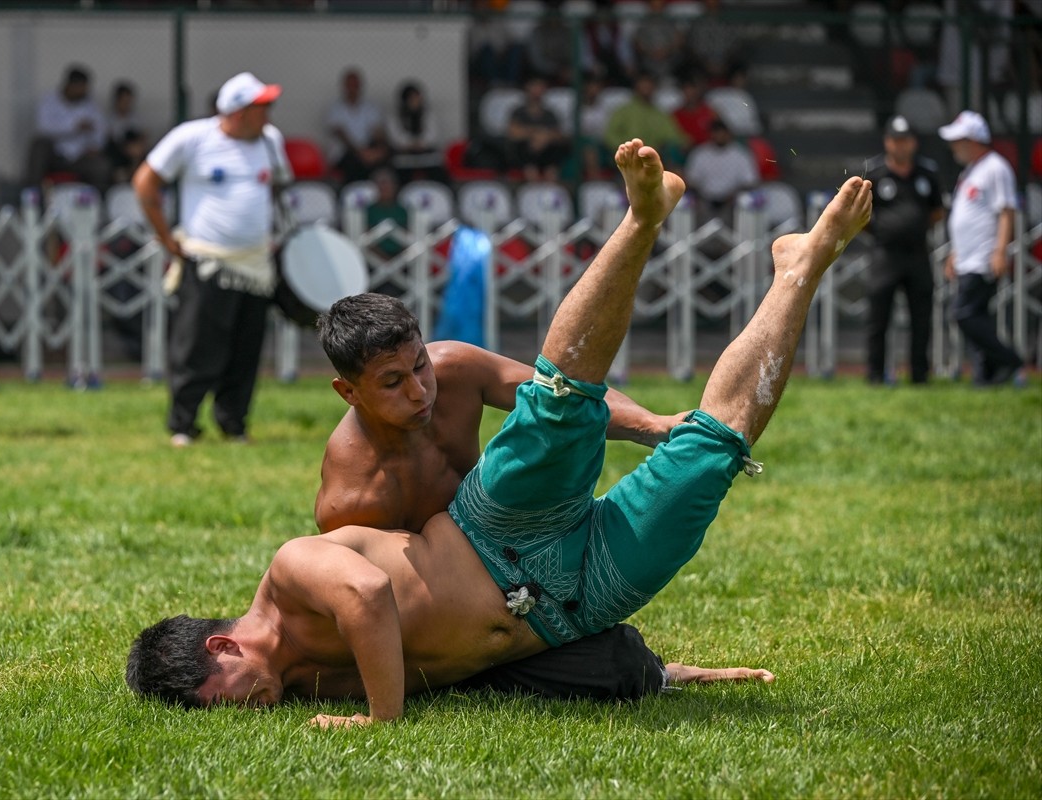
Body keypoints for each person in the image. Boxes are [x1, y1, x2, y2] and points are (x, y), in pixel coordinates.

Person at [127, 138, 874, 725]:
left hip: (499, 527)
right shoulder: (297, 680)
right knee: (713, 455)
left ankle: (641, 218)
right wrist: (648, 669)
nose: (236, 711)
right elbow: (465, 660)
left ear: (220, 648)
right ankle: (798, 267)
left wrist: (382, 719)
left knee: (558, 398)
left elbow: (366, 595)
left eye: (216, 699)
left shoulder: (295, 567)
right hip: (568, 607)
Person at [314, 292, 708, 701]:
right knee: (618, 666)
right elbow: (391, 611)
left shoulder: (455, 367)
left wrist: (651, 425)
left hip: (515, 535)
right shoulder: (352, 500)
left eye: (419, 366)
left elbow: (566, 394)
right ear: (349, 392)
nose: (419, 391)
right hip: (464, 615)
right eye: (393, 383)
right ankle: (657, 670)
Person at [132, 71, 292, 447]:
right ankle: (183, 425)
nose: (268, 113)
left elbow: (279, 186)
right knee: (197, 345)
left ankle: (234, 423)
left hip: (255, 263)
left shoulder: (270, 141)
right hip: (207, 259)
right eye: (260, 106)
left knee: (245, 346)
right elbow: (145, 182)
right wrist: (165, 237)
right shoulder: (192, 138)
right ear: (237, 112)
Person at [937, 110, 1025, 387]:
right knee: (976, 314)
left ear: (973, 140)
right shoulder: (971, 171)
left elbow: (1006, 211)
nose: (953, 146)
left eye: (958, 140)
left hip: (983, 258)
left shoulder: (995, 168)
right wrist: (955, 252)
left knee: (964, 314)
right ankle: (985, 375)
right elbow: (966, 216)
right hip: (967, 258)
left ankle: (1009, 359)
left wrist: (999, 251)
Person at [862, 115, 945, 386]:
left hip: (918, 254)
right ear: (887, 142)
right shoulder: (873, 173)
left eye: (905, 140)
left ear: (914, 142)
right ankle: (875, 375)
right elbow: (861, 213)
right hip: (885, 254)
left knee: (921, 318)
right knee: (878, 319)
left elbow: (936, 211)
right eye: (895, 141)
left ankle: (920, 376)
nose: (900, 146)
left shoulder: (927, 173)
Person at [25, 65, 112, 194]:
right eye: (81, 88)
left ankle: (97, 204)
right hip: (55, 153)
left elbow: (100, 130)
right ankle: (33, 197)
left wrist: (95, 146)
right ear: (71, 85)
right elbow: (43, 127)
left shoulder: (90, 105)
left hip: (80, 156)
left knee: (101, 166)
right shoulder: (49, 100)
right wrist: (74, 126)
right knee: (39, 145)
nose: (84, 91)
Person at [604, 71, 689, 169]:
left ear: (654, 88)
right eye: (643, 86)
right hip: (628, 159)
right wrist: (628, 148)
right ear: (636, 88)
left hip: (653, 158)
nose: (646, 90)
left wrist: (684, 141)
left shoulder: (659, 114)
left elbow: (673, 135)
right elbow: (610, 136)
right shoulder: (623, 111)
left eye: (649, 86)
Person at [683, 118, 758, 222]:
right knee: (688, 202)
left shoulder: (741, 155)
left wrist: (732, 196)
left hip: (731, 201)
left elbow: (750, 182)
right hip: (704, 200)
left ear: (728, 134)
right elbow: (691, 181)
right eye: (715, 133)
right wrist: (701, 196)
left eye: (722, 133)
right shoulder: (700, 154)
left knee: (744, 201)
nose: (719, 136)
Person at [325, 68, 390, 185]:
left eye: (356, 85)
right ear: (344, 86)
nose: (353, 88)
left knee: (386, 159)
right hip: (345, 152)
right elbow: (341, 135)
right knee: (355, 163)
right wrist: (361, 152)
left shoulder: (370, 108)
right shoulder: (335, 109)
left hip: (367, 150)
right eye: (350, 85)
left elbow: (378, 132)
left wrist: (379, 150)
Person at [505, 77, 571, 183]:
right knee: (523, 150)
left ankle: (551, 183)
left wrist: (545, 137)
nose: (537, 91)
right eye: (535, 87)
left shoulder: (550, 114)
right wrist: (535, 134)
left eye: (540, 87)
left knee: (558, 149)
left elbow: (558, 134)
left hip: (546, 153)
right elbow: (513, 133)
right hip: (526, 153)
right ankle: (533, 185)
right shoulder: (519, 112)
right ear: (528, 89)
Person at [385, 81, 449, 187]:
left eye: (418, 97)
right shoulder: (394, 116)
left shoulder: (428, 114)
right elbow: (395, 138)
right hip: (404, 157)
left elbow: (433, 136)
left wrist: (420, 144)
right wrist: (411, 144)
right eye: (412, 98)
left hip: (426, 155)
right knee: (399, 176)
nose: (416, 101)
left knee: (440, 175)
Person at [105, 80, 148, 185]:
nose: (126, 104)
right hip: (117, 155)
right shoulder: (109, 120)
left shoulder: (136, 119)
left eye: (129, 101)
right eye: (124, 101)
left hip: (135, 154)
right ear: (117, 101)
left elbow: (143, 136)